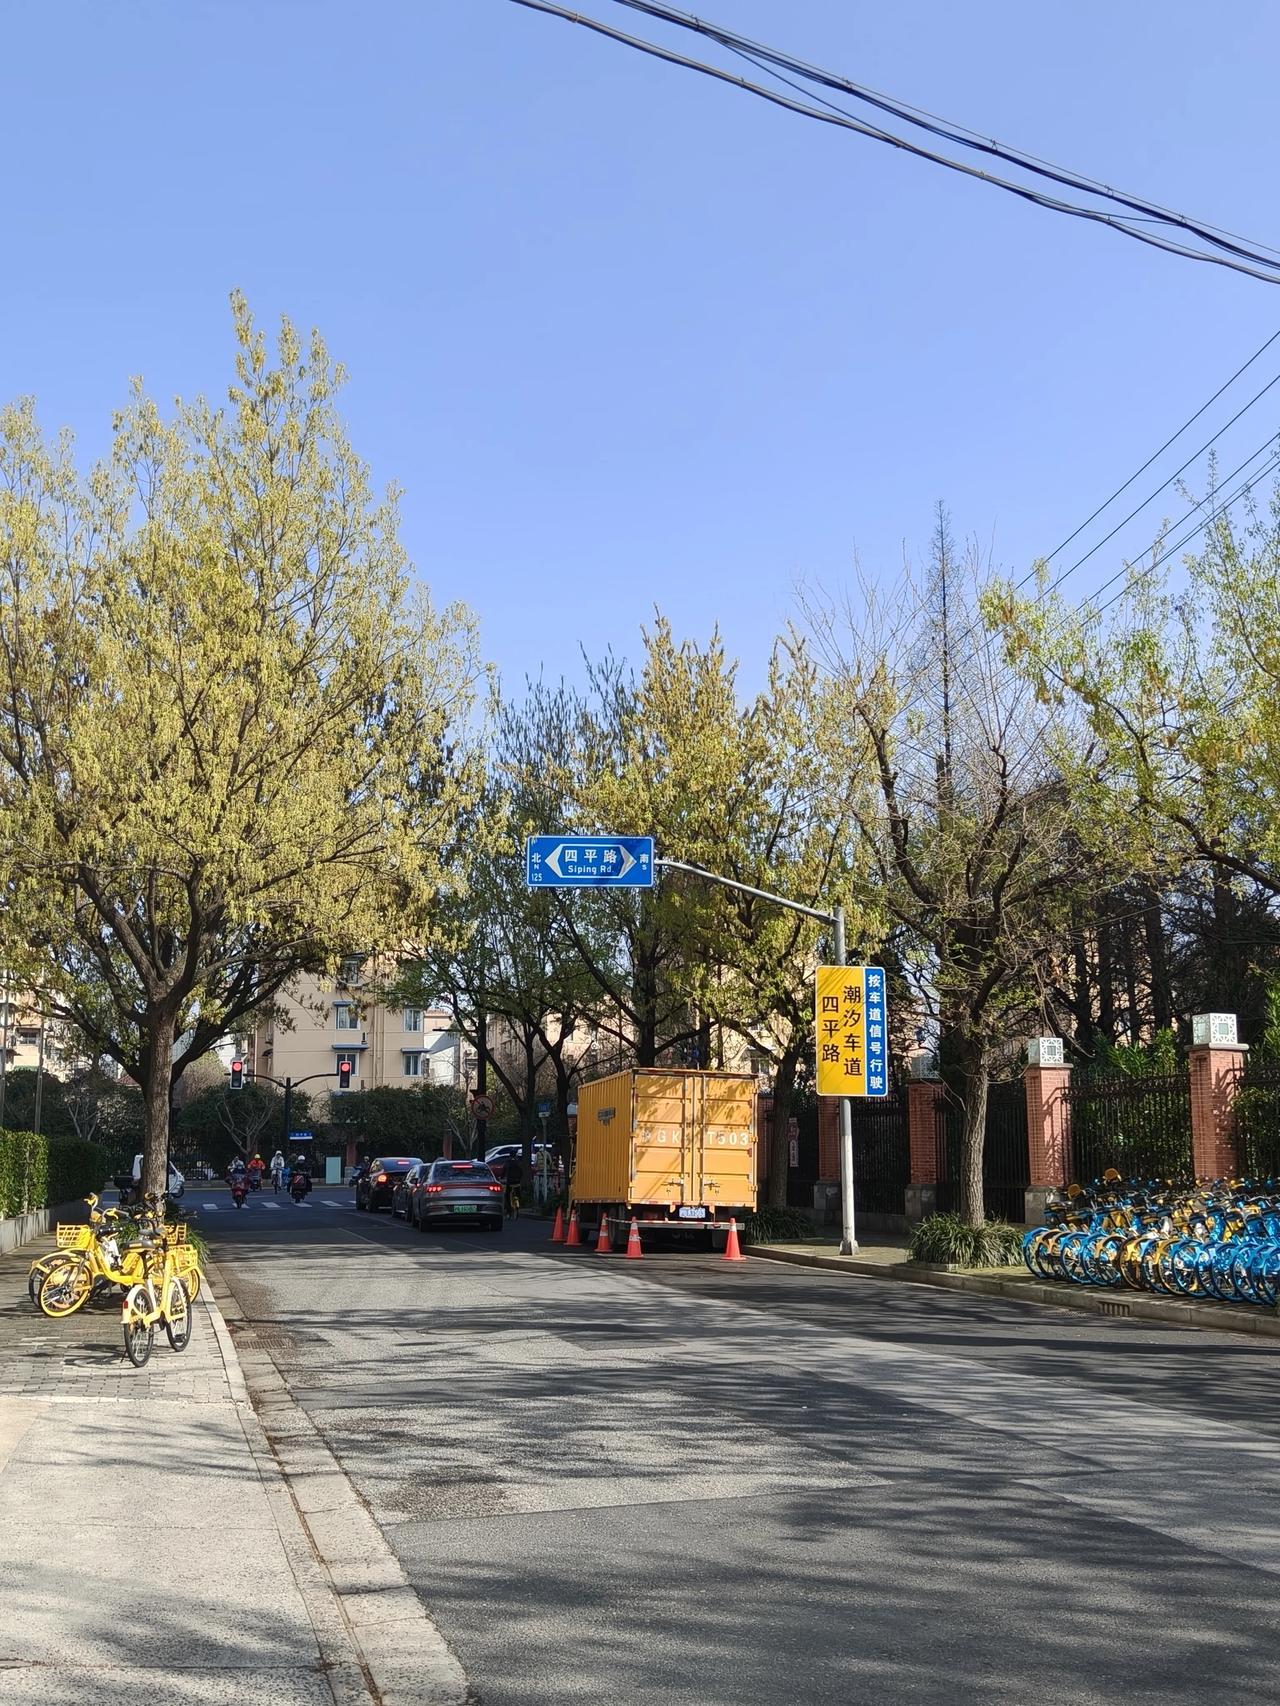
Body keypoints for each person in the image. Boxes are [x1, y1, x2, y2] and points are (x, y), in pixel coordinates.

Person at [503, 1152, 525, 1218]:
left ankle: (508, 1211)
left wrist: (502, 1177)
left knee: (507, 1195)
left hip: (510, 1182)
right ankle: (519, 1201)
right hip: (517, 1181)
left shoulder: (507, 1162)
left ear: (510, 1155)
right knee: (518, 1192)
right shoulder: (518, 1162)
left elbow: (504, 1171)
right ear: (515, 1155)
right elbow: (521, 1171)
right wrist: (519, 1178)